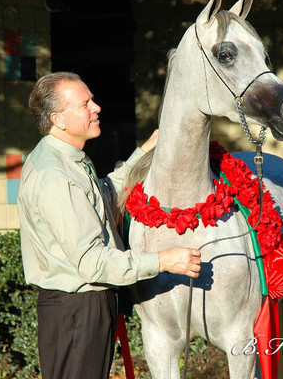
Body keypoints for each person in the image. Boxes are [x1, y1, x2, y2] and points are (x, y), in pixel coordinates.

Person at [17, 71, 201, 379]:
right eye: (85, 103)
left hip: (78, 308)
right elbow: (93, 262)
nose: (96, 107)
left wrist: (143, 153)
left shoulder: (61, 159)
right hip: (78, 309)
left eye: (92, 100)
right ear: (58, 119)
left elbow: (102, 195)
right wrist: (166, 260)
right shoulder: (57, 177)